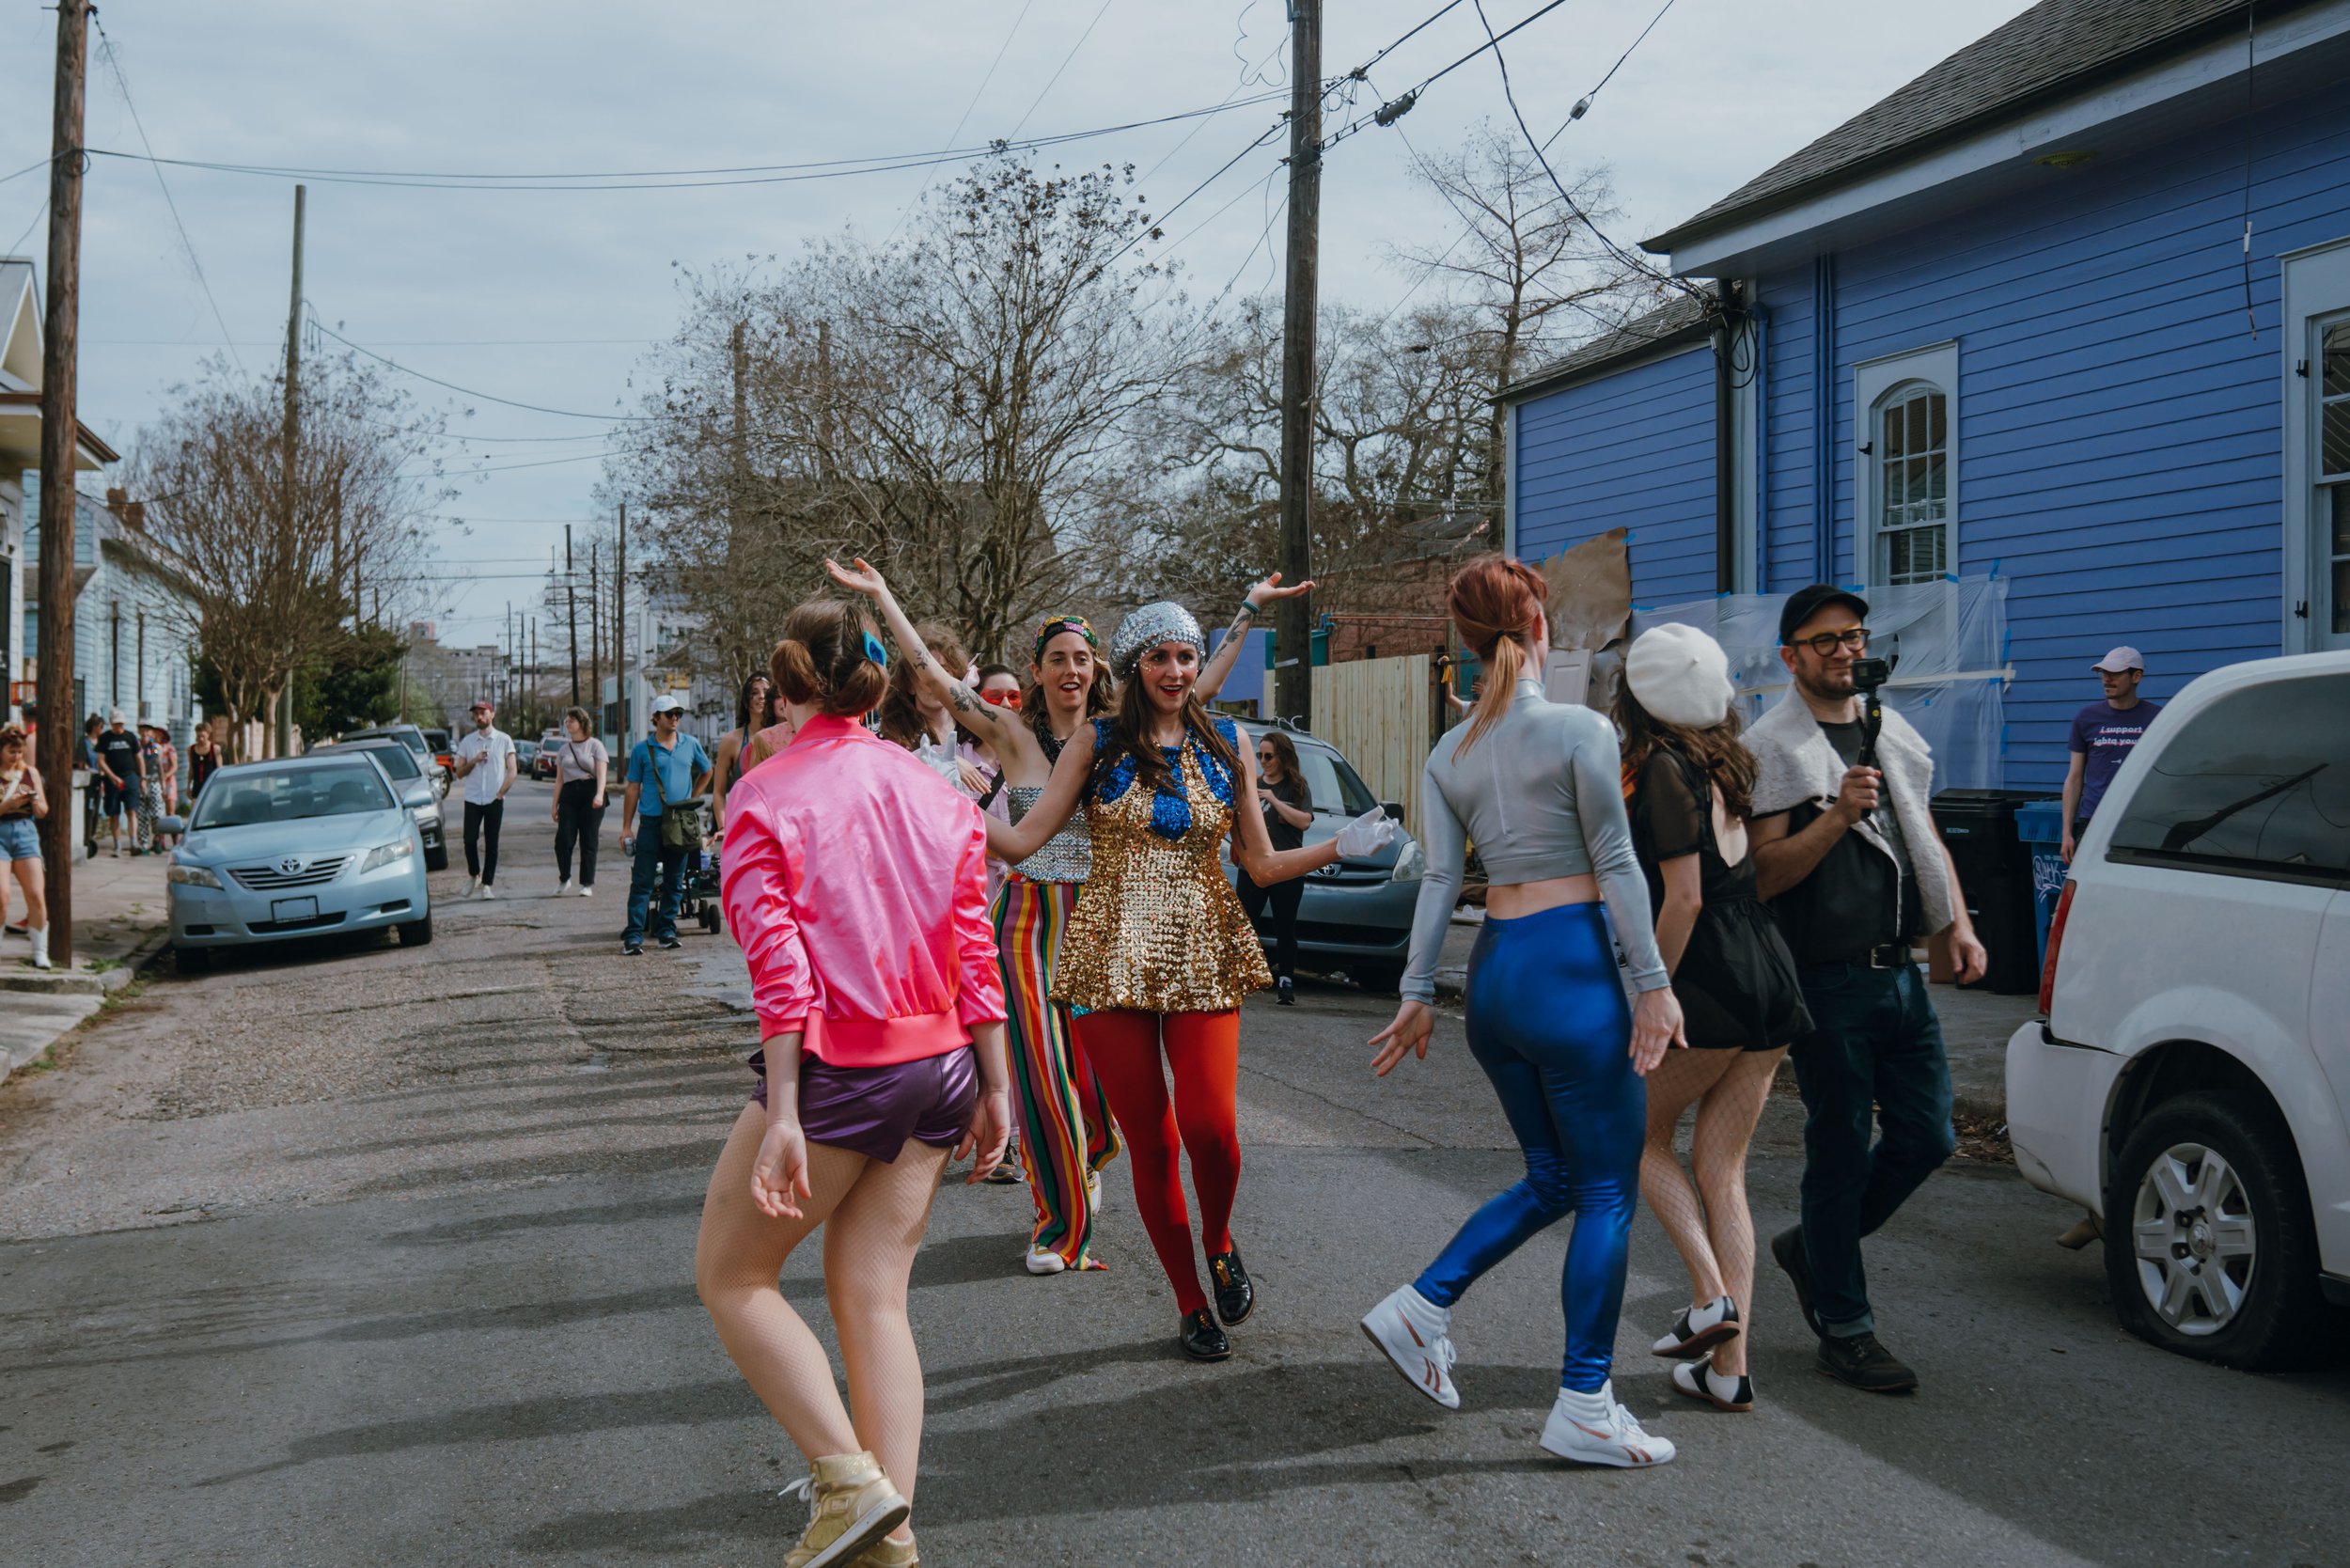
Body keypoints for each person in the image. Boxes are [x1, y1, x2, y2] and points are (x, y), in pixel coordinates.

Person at [828, 557, 1305, 1279]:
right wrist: (884, 595)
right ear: (1039, 672)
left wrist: (1246, 608)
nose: (1070, 670)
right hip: (1028, 917)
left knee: (1094, 1086)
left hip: (1113, 917)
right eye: (1056, 660)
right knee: (1042, 1077)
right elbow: (936, 678)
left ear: (1101, 669)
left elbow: (1196, 679)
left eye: (1082, 659)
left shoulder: (1126, 731)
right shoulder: (1015, 738)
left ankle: (1094, 1152)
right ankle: (1061, 1227)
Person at [984, 597, 1395, 1361]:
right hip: (1108, 957)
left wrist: (1341, 844)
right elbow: (1025, 840)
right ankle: (1187, 1300)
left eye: (1184, 657)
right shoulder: (1097, 745)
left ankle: (1220, 1239)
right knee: (1153, 1142)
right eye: (1160, 658)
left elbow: (1262, 864)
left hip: (1202, 951)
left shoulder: (1229, 742)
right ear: (1135, 668)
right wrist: (951, 812)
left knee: (1213, 1131)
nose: (1174, 671)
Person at [697, 598, 1010, 1568]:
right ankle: (893, 1537)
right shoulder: (939, 793)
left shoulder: (765, 792)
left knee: (733, 1275)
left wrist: (784, 1110)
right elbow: (973, 947)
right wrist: (996, 1087)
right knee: (874, 1299)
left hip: (842, 1071)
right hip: (942, 1066)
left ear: (786, 685)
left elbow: (780, 969)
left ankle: (848, 1482)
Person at [1357, 554, 1686, 1470]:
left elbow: (1434, 882)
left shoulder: (1447, 752)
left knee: (1552, 1177)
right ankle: (1585, 1399)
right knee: (1608, 1189)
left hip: (1492, 980)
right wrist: (1653, 983)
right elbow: (1617, 866)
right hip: (1570, 973)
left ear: (1465, 646)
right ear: (1539, 629)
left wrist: (1418, 992)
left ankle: (1421, 1307)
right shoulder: (1580, 729)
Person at [1748, 585, 1988, 1396]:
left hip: (1901, 976)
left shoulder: (1892, 731)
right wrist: (1836, 816)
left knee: (1929, 1139)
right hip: (1825, 980)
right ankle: (1845, 1328)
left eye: (1852, 636)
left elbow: (1920, 833)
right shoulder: (1772, 747)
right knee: (1842, 1147)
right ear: (1791, 656)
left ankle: (1813, 1250)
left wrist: (1956, 923)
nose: (1844, 651)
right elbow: (1763, 875)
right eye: (1824, 641)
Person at [1613, 623, 1811, 1416]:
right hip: (1769, 970)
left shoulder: (1662, 766)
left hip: (1711, 979)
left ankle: (1707, 1299)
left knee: (1636, 1134)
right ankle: (1729, 1369)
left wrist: (1646, 988)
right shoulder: (1723, 759)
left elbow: (1685, 897)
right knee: (1722, 1171)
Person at [620, 694, 713, 955]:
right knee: (643, 881)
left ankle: (667, 931)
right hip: (651, 823)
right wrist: (626, 827)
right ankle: (634, 936)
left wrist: (693, 797)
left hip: (680, 822)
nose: (675, 718)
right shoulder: (641, 750)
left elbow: (707, 770)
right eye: (669, 713)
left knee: (675, 880)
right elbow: (632, 789)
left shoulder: (690, 744)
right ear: (655, 718)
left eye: (678, 714)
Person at [2061, 646, 2161, 864]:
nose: (2106, 679)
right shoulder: (2086, 718)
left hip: (2141, 821)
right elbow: (2075, 777)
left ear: (2136, 676)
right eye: (2103, 673)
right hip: (2095, 820)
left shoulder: (2158, 718)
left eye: (2115, 674)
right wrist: (2067, 833)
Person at [1237, 729, 1311, 1006]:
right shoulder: (1251, 784)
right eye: (1260, 756)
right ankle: (1240, 977)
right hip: (1253, 867)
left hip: (1287, 867)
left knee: (1285, 926)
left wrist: (1273, 799)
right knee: (1245, 923)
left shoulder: (1296, 787)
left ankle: (1286, 981)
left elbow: (1304, 821)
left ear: (1282, 757)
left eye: (1269, 756)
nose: (1264, 761)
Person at [450, 699, 518, 899]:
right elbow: (459, 773)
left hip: (494, 799)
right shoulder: (467, 742)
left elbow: (513, 770)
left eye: (483, 713)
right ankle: (474, 875)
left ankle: (487, 884)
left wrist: (500, 793)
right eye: (476, 714)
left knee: (492, 843)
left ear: (492, 714)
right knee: (469, 840)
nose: (479, 717)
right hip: (472, 798)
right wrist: (474, 760)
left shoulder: (504, 740)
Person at [0, 725, 51, 969]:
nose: (17, 757)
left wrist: (34, 800)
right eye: (12, 752)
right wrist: (8, 804)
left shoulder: (30, 772)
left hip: (25, 832)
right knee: (2, 896)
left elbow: (43, 811)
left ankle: (40, 950)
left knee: (36, 895)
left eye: (19, 752)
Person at [551, 706, 608, 898]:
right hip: (569, 795)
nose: (568, 724)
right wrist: (554, 805)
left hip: (590, 793)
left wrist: (599, 795)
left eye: (571, 720)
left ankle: (586, 882)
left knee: (588, 839)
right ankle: (564, 877)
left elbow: (601, 774)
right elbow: (559, 780)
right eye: (566, 721)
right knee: (563, 840)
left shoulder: (595, 745)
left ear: (582, 722)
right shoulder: (563, 750)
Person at [711, 673, 772, 829]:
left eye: (766, 691)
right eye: (754, 693)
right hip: (741, 824)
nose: (761, 696)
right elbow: (718, 793)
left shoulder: (783, 736)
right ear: (746, 700)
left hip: (775, 824)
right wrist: (723, 828)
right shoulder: (731, 741)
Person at [90, 711, 141, 859]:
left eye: (121, 724)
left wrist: (142, 777)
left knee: (132, 810)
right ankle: (117, 844)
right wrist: (112, 777)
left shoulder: (130, 736)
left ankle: (134, 842)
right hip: (112, 779)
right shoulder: (105, 738)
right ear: (111, 723)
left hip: (130, 776)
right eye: (116, 723)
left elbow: (139, 757)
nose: (119, 726)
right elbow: (101, 761)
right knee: (114, 813)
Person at [79, 714, 103, 859]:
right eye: (100, 727)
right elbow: (81, 760)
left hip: (99, 778)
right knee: (87, 809)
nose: (102, 729)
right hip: (88, 778)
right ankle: (86, 836)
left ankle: (92, 834)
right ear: (94, 727)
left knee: (96, 809)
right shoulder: (84, 742)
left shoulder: (101, 741)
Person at [186, 724, 222, 801]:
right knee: (195, 808)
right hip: (197, 784)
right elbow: (191, 769)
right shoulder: (191, 749)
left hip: (211, 784)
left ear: (208, 735)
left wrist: (220, 786)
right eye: (198, 736)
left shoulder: (215, 748)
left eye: (203, 736)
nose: (201, 739)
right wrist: (188, 786)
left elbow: (220, 769)